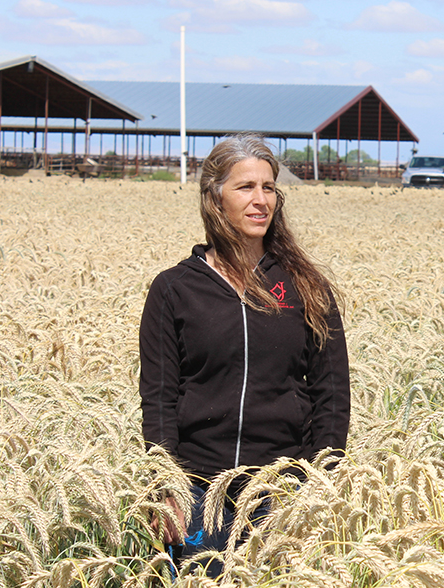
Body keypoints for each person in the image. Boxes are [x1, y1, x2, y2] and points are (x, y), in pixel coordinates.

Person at [139, 133, 350, 576]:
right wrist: (166, 488)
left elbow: (332, 396)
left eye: (268, 187)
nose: (261, 200)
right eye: (245, 187)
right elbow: (159, 398)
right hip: (200, 495)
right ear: (215, 199)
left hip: (282, 493)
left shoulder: (305, 287)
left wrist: (319, 486)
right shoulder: (175, 289)